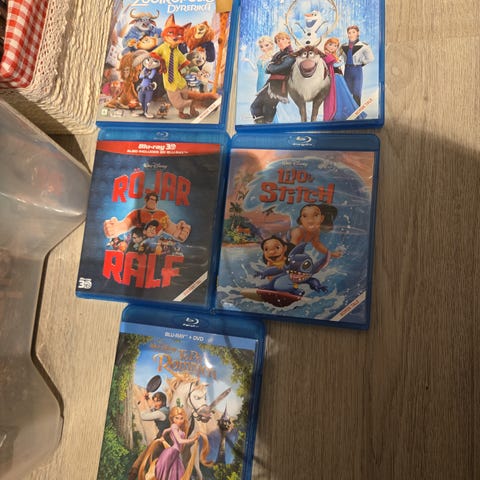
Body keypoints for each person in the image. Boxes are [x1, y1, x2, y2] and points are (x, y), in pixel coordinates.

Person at [103, 190, 191, 242]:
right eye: (151, 199)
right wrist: (116, 228)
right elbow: (125, 224)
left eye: (155, 200)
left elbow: (169, 226)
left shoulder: (162, 214)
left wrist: (178, 232)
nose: (153, 202)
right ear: (146, 200)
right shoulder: (137, 213)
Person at [250, 32, 295, 124]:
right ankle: (261, 127)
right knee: (255, 107)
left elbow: (277, 68)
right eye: (278, 40)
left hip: (279, 86)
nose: (280, 42)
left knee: (268, 109)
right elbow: (270, 67)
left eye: (283, 39)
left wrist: (272, 67)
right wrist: (272, 67)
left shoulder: (291, 55)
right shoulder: (278, 54)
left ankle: (268, 127)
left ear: (289, 41)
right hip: (268, 84)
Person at [127, 392, 170, 480]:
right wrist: (148, 399)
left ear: (163, 402)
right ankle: (134, 473)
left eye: (158, 401)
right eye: (155, 401)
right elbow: (152, 408)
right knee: (141, 458)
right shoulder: (165, 410)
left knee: (145, 460)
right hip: (162, 438)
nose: (155, 404)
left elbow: (144, 416)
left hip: (162, 441)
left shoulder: (161, 413)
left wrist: (142, 401)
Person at [322, 37, 367, 120]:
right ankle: (337, 115)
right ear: (326, 44)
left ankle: (349, 113)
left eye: (335, 46)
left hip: (339, 78)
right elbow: (334, 65)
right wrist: (341, 62)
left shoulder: (332, 55)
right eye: (330, 44)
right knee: (338, 96)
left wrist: (340, 61)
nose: (332, 47)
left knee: (344, 95)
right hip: (334, 79)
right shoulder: (325, 55)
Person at [340, 25, 374, 106]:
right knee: (346, 92)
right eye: (349, 33)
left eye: (353, 32)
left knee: (356, 91)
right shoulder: (343, 46)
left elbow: (370, 58)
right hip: (347, 70)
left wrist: (361, 63)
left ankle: (357, 111)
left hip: (357, 70)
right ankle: (347, 110)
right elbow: (336, 55)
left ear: (358, 33)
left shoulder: (364, 46)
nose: (351, 34)